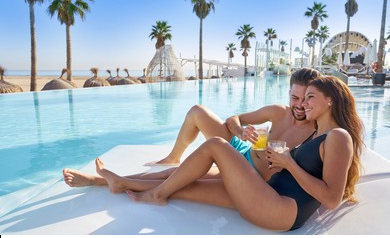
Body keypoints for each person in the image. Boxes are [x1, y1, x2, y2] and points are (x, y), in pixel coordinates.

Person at [94, 76, 364, 231]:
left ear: (330, 100)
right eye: (300, 98)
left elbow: (330, 199)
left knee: (215, 145)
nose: (303, 104)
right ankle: (118, 182)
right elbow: (310, 171)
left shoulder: (338, 136)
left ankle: (155, 195)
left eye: (310, 98)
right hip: (267, 192)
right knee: (189, 184)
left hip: (281, 209)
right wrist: (281, 161)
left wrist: (289, 163)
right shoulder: (319, 132)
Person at [63, 68, 321, 187]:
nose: (299, 105)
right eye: (294, 97)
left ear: (315, 98)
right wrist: (241, 130)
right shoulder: (278, 112)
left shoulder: (315, 132)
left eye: (305, 99)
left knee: (179, 177)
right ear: (289, 93)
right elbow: (234, 118)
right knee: (197, 111)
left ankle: (101, 181)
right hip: (239, 148)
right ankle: (174, 155)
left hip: (248, 172)